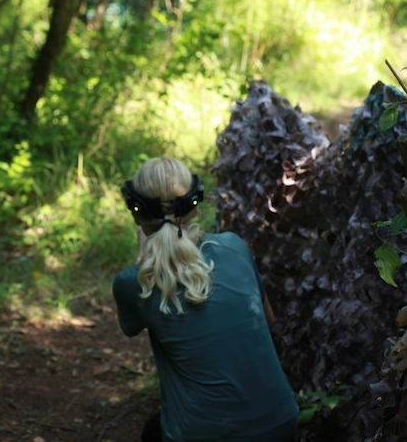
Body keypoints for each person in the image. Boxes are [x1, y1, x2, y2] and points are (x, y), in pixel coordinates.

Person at [113, 157, 298, 442]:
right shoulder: (234, 246)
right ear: (195, 207)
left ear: (136, 214)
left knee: (153, 433)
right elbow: (268, 320)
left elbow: (133, 325)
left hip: (203, 435)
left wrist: (143, 261)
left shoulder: (132, 283)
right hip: (282, 421)